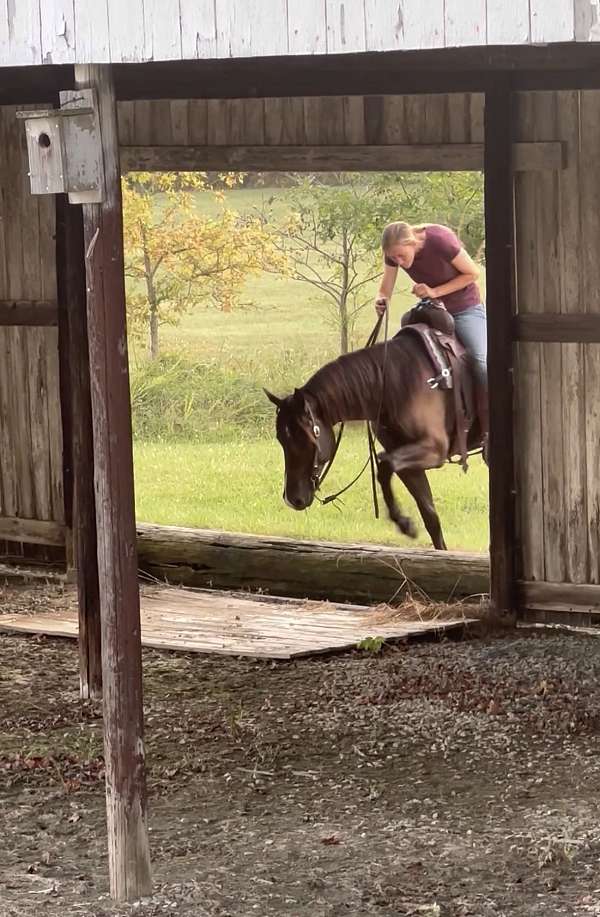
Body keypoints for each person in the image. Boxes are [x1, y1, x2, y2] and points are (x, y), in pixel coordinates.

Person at [374, 221, 488, 461]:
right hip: (433, 307)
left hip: (464, 307)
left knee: (480, 359)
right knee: (408, 349)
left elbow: (473, 273)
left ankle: (492, 428)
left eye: (402, 256)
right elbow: (387, 286)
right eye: (394, 258)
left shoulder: (440, 240)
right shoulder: (394, 254)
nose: (400, 262)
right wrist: (382, 299)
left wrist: (434, 291)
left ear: (411, 243)